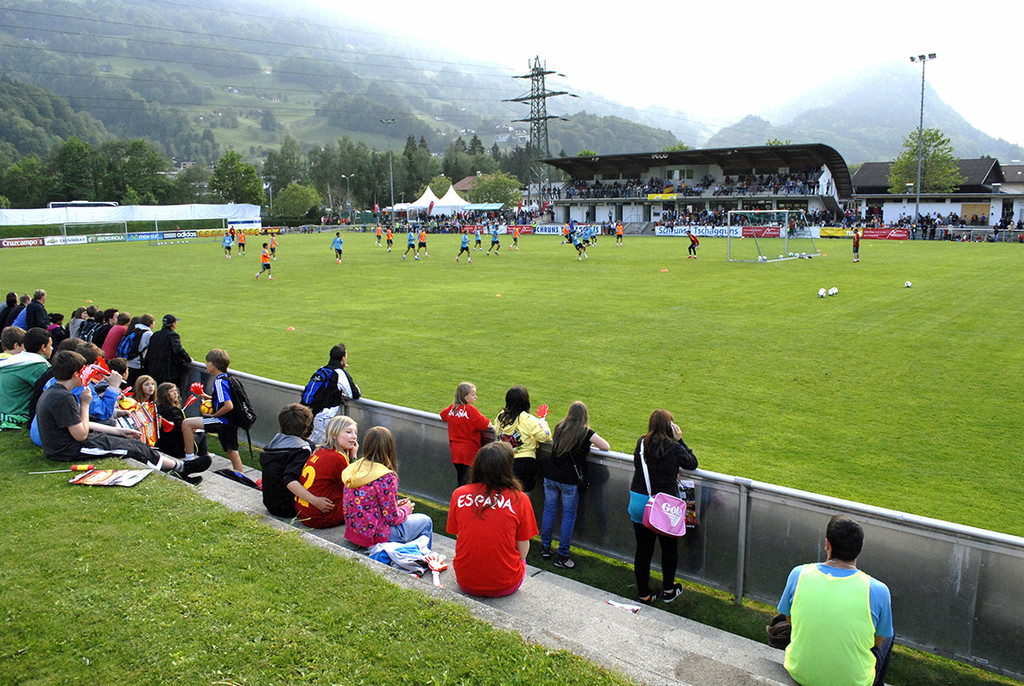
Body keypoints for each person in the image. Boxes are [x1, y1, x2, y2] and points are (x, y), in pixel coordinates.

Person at [35, 350, 209, 481]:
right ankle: (181, 468)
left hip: (66, 445)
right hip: (68, 450)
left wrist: (118, 431)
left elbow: (79, 424)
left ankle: (180, 469)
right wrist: (85, 404)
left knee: (131, 442)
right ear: (76, 374)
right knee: (133, 449)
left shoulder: (56, 392)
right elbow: (80, 434)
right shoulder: (63, 398)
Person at [777, 515, 894, 686]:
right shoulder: (879, 590)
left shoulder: (799, 574)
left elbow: (790, 620)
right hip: (854, 682)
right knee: (889, 633)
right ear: (861, 546)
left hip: (799, 672)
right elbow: (878, 641)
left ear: (827, 544)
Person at [446, 442, 538, 597]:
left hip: (465, 581)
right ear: (507, 468)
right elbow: (523, 550)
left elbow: (459, 535)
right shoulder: (520, 499)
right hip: (506, 585)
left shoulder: (459, 494)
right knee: (521, 561)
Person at [627, 409, 698, 604]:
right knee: (668, 549)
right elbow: (692, 463)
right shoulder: (673, 447)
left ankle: (644, 594)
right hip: (664, 507)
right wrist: (680, 440)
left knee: (643, 549)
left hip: (640, 501)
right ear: (670, 427)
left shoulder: (641, 442)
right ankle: (668, 590)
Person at [540, 401, 610, 569]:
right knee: (568, 516)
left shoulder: (560, 427)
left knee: (549, 511)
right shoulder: (585, 432)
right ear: (584, 416)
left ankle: (545, 548)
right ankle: (562, 556)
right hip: (569, 481)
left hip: (550, 476)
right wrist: (590, 444)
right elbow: (606, 446)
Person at [341, 426, 433, 548]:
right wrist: (406, 509)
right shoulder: (386, 477)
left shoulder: (354, 468)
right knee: (426, 521)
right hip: (377, 536)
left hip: (355, 533)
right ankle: (423, 557)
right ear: (390, 448)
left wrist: (395, 504)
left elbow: (368, 503)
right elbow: (392, 518)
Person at [259, 403, 328, 519]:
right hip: (289, 508)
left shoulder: (273, 445)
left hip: (270, 504)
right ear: (309, 426)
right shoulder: (301, 451)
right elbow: (290, 480)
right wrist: (315, 501)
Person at [182, 348, 243, 472]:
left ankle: (189, 461)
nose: (206, 364)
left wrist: (214, 415)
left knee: (186, 424)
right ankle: (240, 475)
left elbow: (228, 405)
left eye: (208, 362)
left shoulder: (219, 382)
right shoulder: (227, 378)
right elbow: (222, 399)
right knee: (232, 451)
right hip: (231, 422)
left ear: (214, 364)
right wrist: (206, 396)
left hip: (222, 420)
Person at [296, 415, 359, 529]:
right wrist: (353, 457)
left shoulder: (319, 450)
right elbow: (354, 486)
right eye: (348, 432)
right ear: (334, 434)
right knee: (367, 497)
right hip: (321, 516)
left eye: (355, 432)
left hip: (303, 512)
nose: (354, 436)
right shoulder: (337, 457)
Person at [492, 385, 551, 492]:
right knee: (523, 496)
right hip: (524, 463)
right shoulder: (527, 419)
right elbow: (545, 437)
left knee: (505, 494)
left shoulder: (501, 416)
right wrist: (543, 423)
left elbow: (497, 431)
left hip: (504, 460)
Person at [307, 343, 361, 445]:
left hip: (313, 414)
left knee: (315, 446)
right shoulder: (339, 373)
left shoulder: (322, 369)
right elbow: (354, 394)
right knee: (324, 448)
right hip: (325, 418)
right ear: (343, 358)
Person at [440, 382, 492, 487]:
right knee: (468, 482)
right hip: (469, 453)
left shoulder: (452, 409)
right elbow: (487, 424)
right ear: (465, 396)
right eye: (473, 395)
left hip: (455, 452)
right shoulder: (470, 410)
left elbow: (442, 415)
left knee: (461, 478)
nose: (475, 397)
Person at [0, 327, 52, 430]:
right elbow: (51, 389)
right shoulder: (37, 364)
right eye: (50, 345)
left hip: (5, 407)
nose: (52, 348)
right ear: (43, 347)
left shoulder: (15, 360)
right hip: (17, 411)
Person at [155, 382, 206, 460]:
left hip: (163, 444)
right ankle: (203, 456)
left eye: (175, 390)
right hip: (176, 447)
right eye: (171, 391)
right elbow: (181, 427)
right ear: (164, 394)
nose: (175, 393)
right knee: (201, 434)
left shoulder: (158, 407)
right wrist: (193, 429)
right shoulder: (172, 410)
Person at [145, 314, 192, 387]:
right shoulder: (173, 335)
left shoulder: (155, 335)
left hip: (155, 371)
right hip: (169, 373)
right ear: (173, 324)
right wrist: (188, 359)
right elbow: (178, 349)